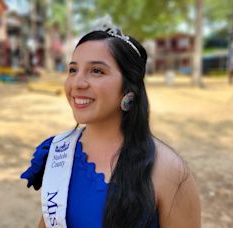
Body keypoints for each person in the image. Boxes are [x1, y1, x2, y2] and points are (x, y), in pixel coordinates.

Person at [21, 20, 201, 228]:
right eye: (73, 70)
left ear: (129, 87)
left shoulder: (170, 172)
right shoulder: (58, 152)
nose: (77, 83)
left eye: (96, 71)